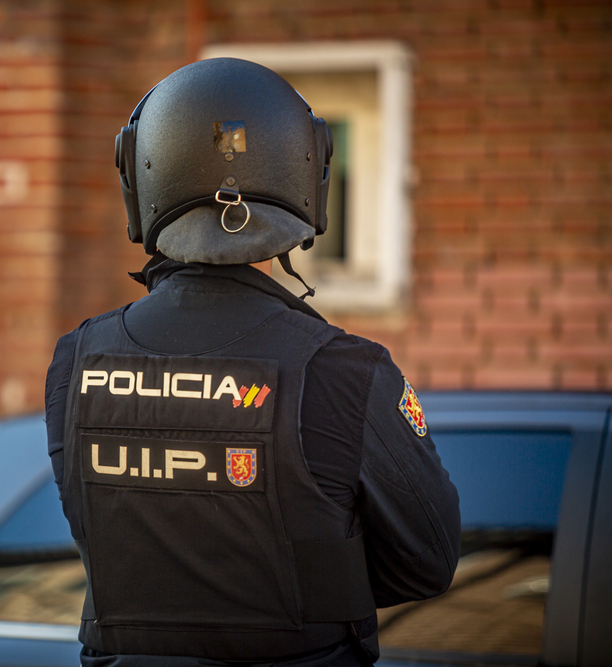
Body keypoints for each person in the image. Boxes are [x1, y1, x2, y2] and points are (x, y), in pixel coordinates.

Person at [44, 58, 461, 667]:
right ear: (307, 174)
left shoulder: (76, 359)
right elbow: (426, 563)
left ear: (140, 176)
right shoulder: (346, 371)